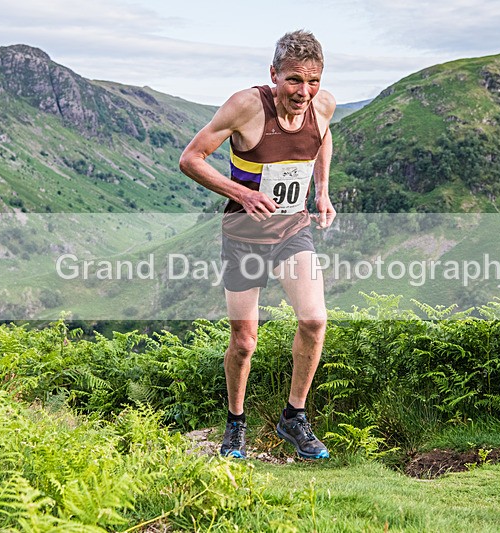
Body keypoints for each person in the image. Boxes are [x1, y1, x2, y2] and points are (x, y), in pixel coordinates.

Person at [179, 30, 336, 459]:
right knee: (245, 340)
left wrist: (321, 191)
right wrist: (242, 194)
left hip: (292, 232)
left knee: (313, 320)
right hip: (244, 238)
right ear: (273, 74)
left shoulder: (323, 105)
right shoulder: (246, 106)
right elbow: (190, 158)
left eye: (313, 80)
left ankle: (294, 417)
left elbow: (322, 139)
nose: (304, 92)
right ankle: (235, 424)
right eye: (293, 80)